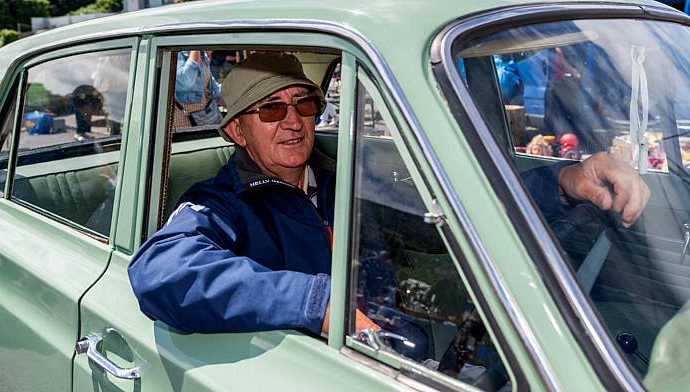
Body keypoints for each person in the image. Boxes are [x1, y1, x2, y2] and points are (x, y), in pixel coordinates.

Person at [128, 52, 649, 337]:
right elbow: (160, 271)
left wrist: (564, 181)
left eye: (304, 104)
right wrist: (316, 302)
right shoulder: (222, 202)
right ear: (238, 131)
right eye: (270, 110)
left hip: (389, 339)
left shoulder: (343, 178)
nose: (292, 122)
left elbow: (447, 202)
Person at [173, 50, 222, 128]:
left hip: (208, 120)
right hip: (186, 124)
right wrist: (195, 49)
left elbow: (213, 90)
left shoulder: (202, 55)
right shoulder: (177, 54)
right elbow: (187, 81)